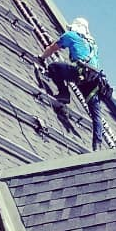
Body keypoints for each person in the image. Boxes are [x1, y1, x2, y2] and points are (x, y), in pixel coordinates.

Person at [39, 17, 110, 152]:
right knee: (96, 115)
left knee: (54, 67)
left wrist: (41, 58)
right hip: (94, 80)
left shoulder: (70, 35)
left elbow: (52, 48)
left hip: (80, 73)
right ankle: (97, 146)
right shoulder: (93, 44)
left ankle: (64, 94)